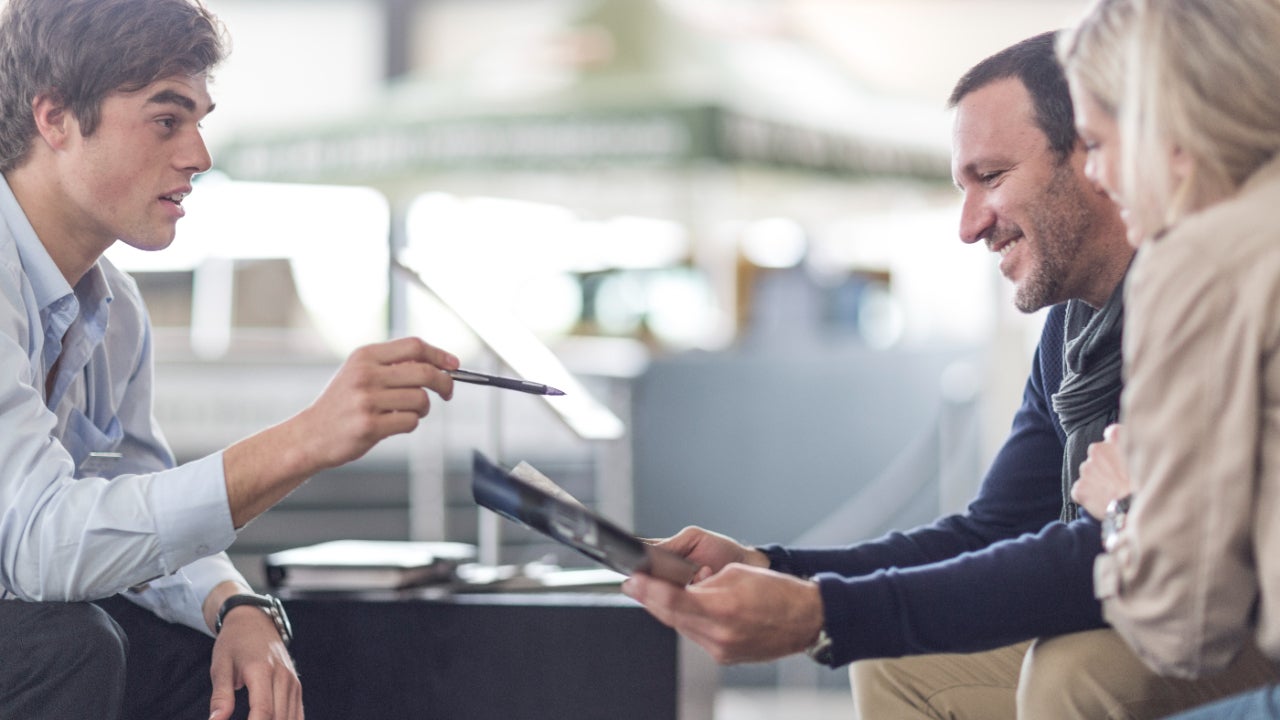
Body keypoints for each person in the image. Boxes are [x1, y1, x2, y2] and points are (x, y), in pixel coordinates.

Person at [622, 30, 1280, 719]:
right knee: (898, 666)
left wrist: (826, 612)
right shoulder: (1073, 329)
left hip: (1227, 611)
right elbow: (995, 530)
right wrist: (774, 569)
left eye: (991, 177)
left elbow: (1130, 563)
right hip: (1185, 596)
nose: (968, 227)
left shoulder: (1206, 280)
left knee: (1079, 669)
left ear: (1090, 154)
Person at [0, 1, 459, 719]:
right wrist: (305, 440)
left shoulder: (113, 311)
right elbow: (36, 547)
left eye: (199, 121)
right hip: (41, 632)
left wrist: (235, 604)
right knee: (69, 644)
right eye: (166, 120)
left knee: (223, 667)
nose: (198, 156)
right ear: (55, 118)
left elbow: (138, 511)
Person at [1065, 0, 1280, 717]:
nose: (1093, 174)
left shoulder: (1200, 262)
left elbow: (1183, 626)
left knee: (1070, 679)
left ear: (1173, 135)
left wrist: (1125, 508)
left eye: (1096, 141)